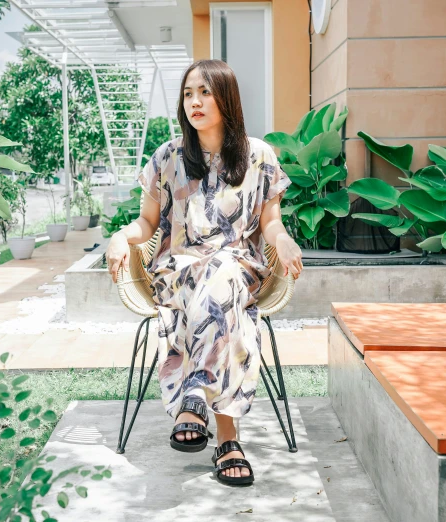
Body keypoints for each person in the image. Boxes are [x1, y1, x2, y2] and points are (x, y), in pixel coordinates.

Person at [105, 59, 303, 487]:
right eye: (188, 93)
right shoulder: (168, 156)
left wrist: (282, 240)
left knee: (222, 273)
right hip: (178, 271)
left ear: (226, 98)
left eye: (204, 93)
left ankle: (193, 397)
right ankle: (228, 441)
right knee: (210, 278)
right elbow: (146, 223)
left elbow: (270, 222)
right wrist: (122, 236)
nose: (194, 102)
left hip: (239, 268)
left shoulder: (260, 156)